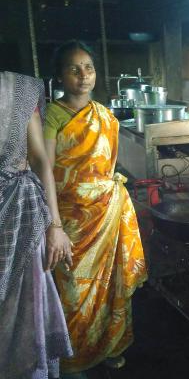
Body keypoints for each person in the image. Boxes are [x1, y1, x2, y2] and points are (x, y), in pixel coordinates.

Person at [43, 40, 148, 375]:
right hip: (70, 221)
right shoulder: (51, 116)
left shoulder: (104, 115)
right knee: (73, 292)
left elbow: (108, 165)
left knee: (111, 285)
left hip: (106, 214)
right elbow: (43, 170)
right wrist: (54, 226)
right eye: (73, 69)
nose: (83, 75)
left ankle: (110, 346)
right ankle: (74, 357)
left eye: (88, 67)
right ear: (60, 75)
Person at [0, 71, 73, 378]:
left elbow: (40, 158)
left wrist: (55, 226)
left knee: (26, 310)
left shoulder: (19, 89)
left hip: (22, 213)